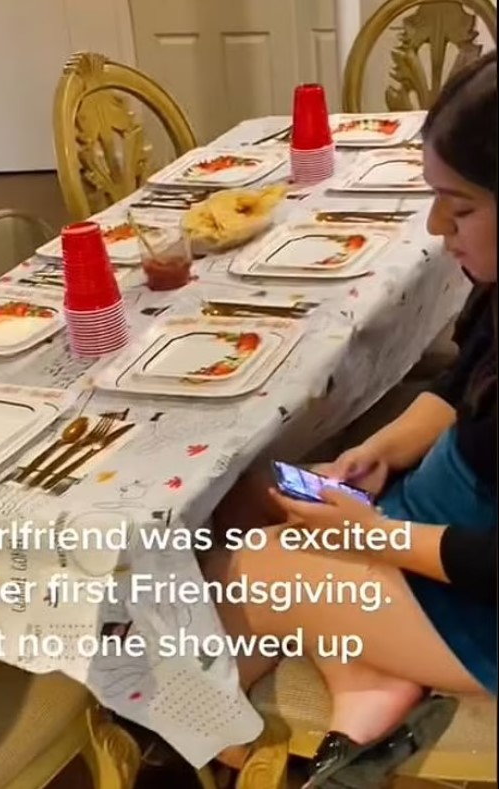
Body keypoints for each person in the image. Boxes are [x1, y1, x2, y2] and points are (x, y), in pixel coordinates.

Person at [206, 50, 497, 788]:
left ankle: (194, 735)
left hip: (472, 594)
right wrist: (378, 447)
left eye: (458, 206)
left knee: (241, 566)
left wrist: (376, 540)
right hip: (424, 521)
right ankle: (369, 690)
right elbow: (461, 382)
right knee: (242, 490)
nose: (436, 227)